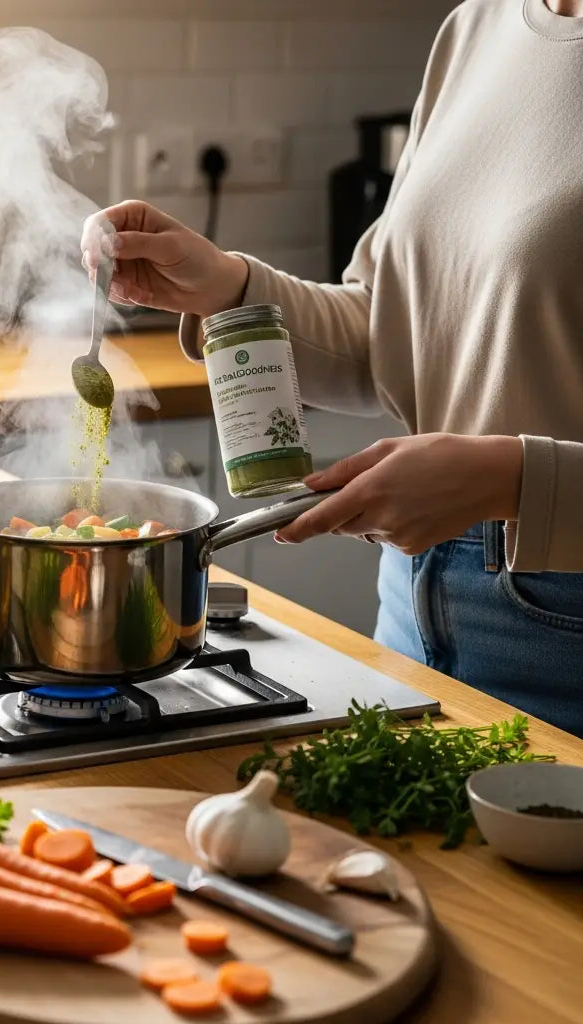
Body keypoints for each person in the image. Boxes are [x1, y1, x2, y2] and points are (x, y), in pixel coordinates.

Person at [81, 0, 583, 739]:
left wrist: (513, 481)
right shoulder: (479, 27)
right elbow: (393, 328)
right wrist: (228, 289)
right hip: (414, 607)